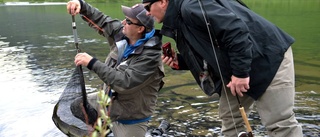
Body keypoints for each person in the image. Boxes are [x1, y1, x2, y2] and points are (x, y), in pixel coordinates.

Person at [141, 0, 303, 136]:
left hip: (268, 57)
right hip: (239, 64)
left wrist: (240, 73)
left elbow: (236, 30)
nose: (147, 13)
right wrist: (181, 61)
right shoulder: (180, 16)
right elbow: (209, 50)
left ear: (163, 2)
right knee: (231, 120)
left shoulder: (190, 7)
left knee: (279, 123)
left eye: (147, 7)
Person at [67, 1, 164, 136]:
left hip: (131, 116)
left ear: (140, 29)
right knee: (78, 106)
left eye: (128, 21)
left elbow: (124, 82)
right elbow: (102, 20)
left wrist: (92, 62)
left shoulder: (151, 57)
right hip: (109, 101)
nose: (123, 22)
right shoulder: (123, 33)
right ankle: (106, 131)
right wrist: (81, 6)